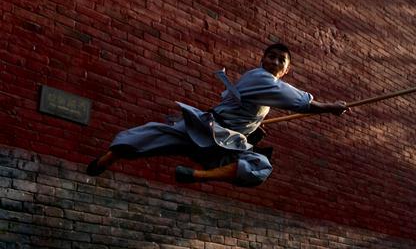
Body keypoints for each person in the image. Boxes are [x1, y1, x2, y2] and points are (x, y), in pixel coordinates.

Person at [86, 43, 348, 186]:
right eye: (271, 56)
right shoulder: (262, 79)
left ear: (287, 69)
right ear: (263, 60)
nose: (274, 61)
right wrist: (329, 108)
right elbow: (296, 100)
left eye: (281, 60)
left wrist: (253, 128)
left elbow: (249, 112)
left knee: (156, 133)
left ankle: (115, 154)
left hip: (211, 130)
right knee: (259, 166)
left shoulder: (260, 86)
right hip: (217, 135)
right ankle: (196, 176)